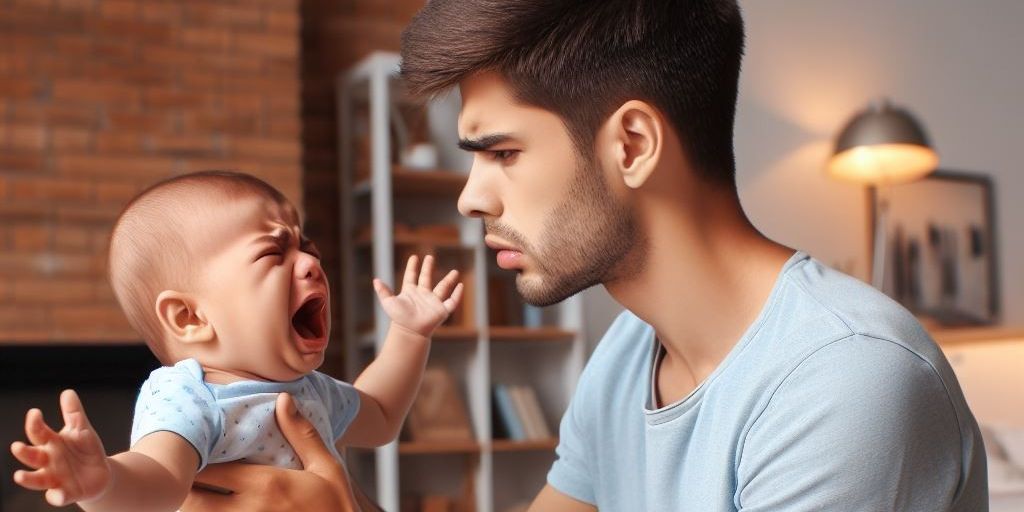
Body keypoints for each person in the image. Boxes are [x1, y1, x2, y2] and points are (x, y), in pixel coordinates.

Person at [178, 1, 990, 510]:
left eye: (500, 153)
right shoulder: (629, 354)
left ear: (631, 143)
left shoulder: (846, 382)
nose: (471, 198)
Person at [9, 171, 463, 511]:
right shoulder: (189, 394)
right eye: (273, 252)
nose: (308, 262)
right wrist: (104, 481)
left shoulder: (312, 390)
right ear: (190, 317)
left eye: (308, 247)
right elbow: (159, 481)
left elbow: (381, 416)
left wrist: (408, 334)